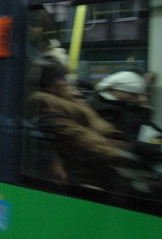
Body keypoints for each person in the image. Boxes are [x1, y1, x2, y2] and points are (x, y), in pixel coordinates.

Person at [26, 57, 146, 189]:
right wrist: (119, 154)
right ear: (48, 84)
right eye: (61, 79)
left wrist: (123, 141)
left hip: (94, 161)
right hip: (77, 168)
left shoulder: (70, 99)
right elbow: (76, 135)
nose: (66, 83)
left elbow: (97, 124)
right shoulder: (42, 102)